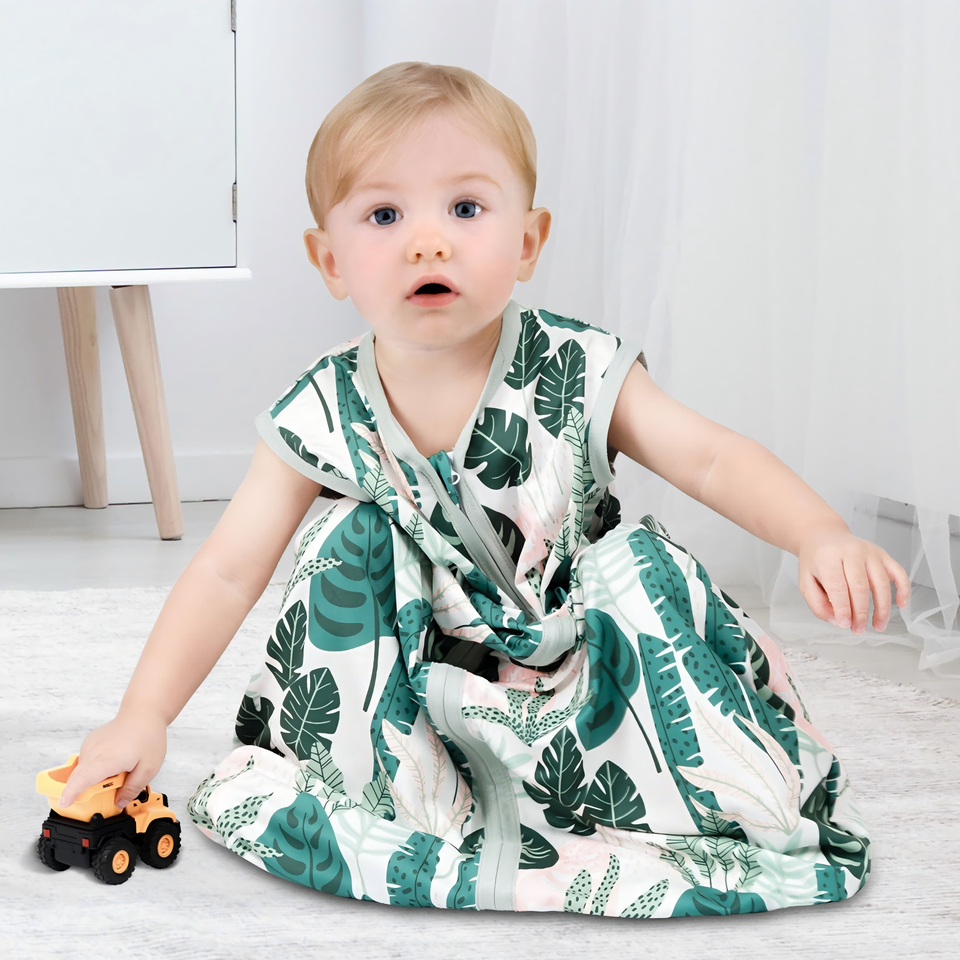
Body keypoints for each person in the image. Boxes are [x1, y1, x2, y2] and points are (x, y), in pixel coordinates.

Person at [60, 61, 909, 917]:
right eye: (385, 215)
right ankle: (394, 799)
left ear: (528, 242)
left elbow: (712, 458)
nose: (429, 242)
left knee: (640, 567)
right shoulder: (323, 407)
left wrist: (817, 532)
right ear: (330, 260)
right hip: (415, 692)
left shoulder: (576, 365)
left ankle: (645, 804)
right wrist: (144, 714)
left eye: (466, 209)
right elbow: (226, 571)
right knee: (348, 539)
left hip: (588, 675)